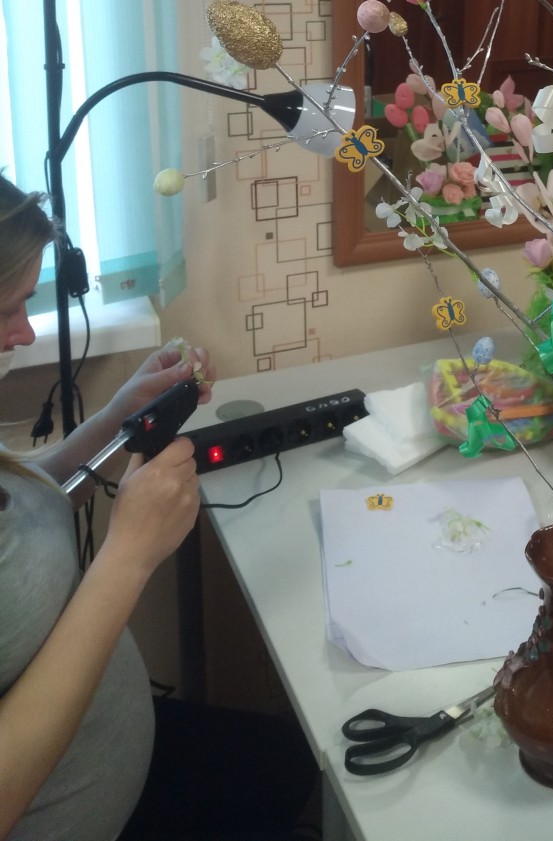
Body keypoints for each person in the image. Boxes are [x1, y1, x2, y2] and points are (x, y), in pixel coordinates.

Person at [0, 175, 316, 840]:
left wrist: (121, 416)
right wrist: (129, 556)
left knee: (289, 761)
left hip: (121, 757)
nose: (24, 333)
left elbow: (21, 499)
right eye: (7, 310)